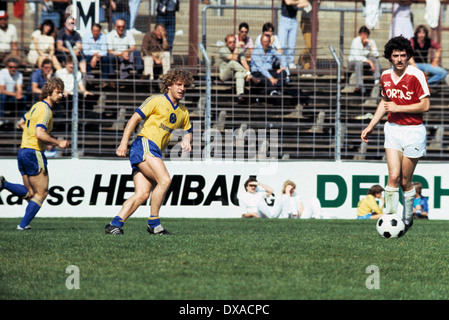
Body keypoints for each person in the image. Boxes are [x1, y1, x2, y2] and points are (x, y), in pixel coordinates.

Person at [105, 68, 194, 235]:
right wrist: (123, 143)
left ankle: (114, 225)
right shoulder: (156, 100)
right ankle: (154, 223)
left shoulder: (183, 111)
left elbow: (188, 130)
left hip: (155, 151)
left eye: (185, 85)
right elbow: (134, 119)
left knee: (142, 193)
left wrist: (187, 139)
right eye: (179, 84)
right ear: (169, 85)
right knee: (165, 180)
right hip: (144, 145)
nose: (182, 88)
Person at [361, 36, 430, 233]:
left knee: (405, 182)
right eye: (395, 56)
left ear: (408, 56)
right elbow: (385, 103)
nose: (399, 59)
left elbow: (425, 105)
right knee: (393, 176)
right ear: (389, 57)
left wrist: (399, 107)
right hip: (392, 129)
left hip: (413, 132)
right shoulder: (385, 76)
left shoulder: (417, 75)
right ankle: (391, 219)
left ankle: (407, 219)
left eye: (402, 55)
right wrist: (371, 125)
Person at [0, 78, 70, 230]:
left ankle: (4, 184)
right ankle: (22, 225)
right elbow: (39, 133)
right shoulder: (46, 110)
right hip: (34, 152)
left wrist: (29, 134)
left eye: (62, 92)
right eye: (58, 92)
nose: (61, 95)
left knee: (31, 193)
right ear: (48, 92)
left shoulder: (36, 107)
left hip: (23, 151)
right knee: (42, 192)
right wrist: (58, 143)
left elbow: (21, 123)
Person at [348, 26, 381, 94]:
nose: (364, 36)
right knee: (358, 63)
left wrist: (371, 45)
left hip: (365, 61)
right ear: (360, 34)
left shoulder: (371, 41)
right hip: (353, 61)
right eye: (362, 34)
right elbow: (356, 56)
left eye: (366, 34)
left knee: (375, 59)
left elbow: (376, 54)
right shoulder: (355, 41)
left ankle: (377, 79)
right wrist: (370, 62)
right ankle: (360, 85)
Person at [218, 34, 251, 103]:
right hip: (224, 74)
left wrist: (248, 72)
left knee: (239, 74)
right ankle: (251, 78)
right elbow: (234, 58)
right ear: (226, 43)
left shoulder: (239, 49)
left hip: (235, 72)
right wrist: (237, 46)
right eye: (230, 42)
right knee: (232, 62)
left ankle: (240, 96)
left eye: (234, 42)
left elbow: (244, 62)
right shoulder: (222, 50)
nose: (232, 44)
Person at [278, 0, 310, 70]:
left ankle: (290, 62)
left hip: (293, 20)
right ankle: (282, 62)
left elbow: (306, 3)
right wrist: (298, 2)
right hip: (284, 19)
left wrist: (294, 3)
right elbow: (288, 2)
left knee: (292, 44)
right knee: (282, 43)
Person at [0, 58, 27, 123]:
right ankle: (1, 119)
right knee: (2, 97)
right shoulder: (2, 73)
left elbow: (19, 88)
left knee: (23, 98)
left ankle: (20, 120)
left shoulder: (19, 74)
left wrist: (19, 94)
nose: (13, 69)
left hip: (12, 96)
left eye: (15, 67)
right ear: (7, 67)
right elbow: (2, 90)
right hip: (3, 95)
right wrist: (16, 94)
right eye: (11, 67)